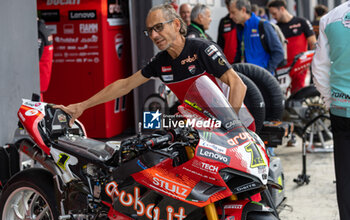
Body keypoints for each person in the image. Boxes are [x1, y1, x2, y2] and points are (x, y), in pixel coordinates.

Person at [55, 4, 255, 132]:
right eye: (149, 31)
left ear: (177, 24)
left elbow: (238, 85)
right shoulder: (161, 62)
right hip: (202, 128)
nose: (153, 35)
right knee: (152, 131)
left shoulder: (202, 49)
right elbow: (124, 85)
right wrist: (81, 106)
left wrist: (230, 127)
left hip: (237, 126)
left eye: (158, 27)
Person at [312, 2, 350, 220]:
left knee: (346, 180)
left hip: (341, 107)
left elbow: (319, 69)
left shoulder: (331, 17)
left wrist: (330, 100)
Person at [268, 0, 316, 94]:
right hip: (282, 68)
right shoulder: (275, 28)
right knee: (280, 95)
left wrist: (314, 63)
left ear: (282, 9)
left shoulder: (302, 22)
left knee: (298, 94)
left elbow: (313, 43)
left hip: (299, 67)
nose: (273, 17)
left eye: (274, 13)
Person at [229, 0, 284, 74]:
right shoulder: (240, 28)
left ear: (243, 10)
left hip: (263, 78)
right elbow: (240, 53)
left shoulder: (263, 25)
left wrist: (267, 72)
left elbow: (279, 52)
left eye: (233, 12)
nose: (231, 16)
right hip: (247, 77)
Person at [37, 18, 53, 101]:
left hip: (38, 80)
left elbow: (36, 57)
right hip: (42, 78)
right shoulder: (43, 29)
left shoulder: (38, 30)